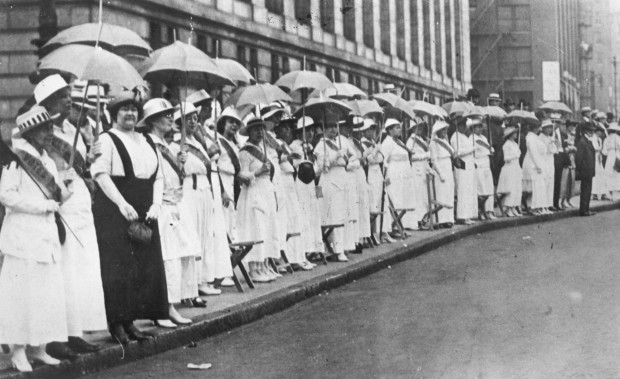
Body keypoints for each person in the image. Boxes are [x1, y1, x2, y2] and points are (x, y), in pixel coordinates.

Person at [35, 74, 106, 358]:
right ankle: (57, 336)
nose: (69, 101)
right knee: (63, 272)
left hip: (80, 205)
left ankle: (75, 331)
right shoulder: (40, 131)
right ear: (49, 101)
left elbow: (78, 166)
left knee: (81, 271)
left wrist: (88, 159)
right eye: (64, 96)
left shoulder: (69, 129)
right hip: (60, 206)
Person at [91, 91, 168, 345]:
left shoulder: (147, 139)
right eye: (124, 110)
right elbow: (100, 174)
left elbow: (158, 176)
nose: (130, 114)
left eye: (134, 110)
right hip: (115, 209)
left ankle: (131, 321)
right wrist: (121, 203)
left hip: (144, 209)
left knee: (140, 268)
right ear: (114, 115)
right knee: (118, 267)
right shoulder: (107, 139)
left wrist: (157, 203)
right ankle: (117, 323)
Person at [0, 106, 71, 372]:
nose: (49, 133)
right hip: (23, 234)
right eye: (43, 128)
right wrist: (42, 206)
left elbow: (55, 196)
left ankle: (39, 348)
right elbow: (6, 195)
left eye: (50, 127)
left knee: (46, 293)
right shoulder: (14, 159)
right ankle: (18, 351)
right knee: (22, 294)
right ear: (29, 133)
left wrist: (67, 187)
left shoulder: (49, 161)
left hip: (46, 235)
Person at [140, 98, 196, 328]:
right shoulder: (148, 145)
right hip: (160, 206)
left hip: (175, 204)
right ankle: (165, 308)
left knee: (179, 256)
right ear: (153, 121)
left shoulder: (167, 146)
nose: (171, 119)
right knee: (167, 259)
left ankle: (171, 304)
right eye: (166, 115)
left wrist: (181, 163)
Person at [170, 102, 222, 299]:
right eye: (188, 118)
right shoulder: (176, 143)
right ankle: (193, 283)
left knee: (206, 234)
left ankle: (204, 279)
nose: (193, 121)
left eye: (195, 118)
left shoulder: (198, 142)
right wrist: (180, 162)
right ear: (179, 121)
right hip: (189, 190)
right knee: (194, 235)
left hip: (204, 188)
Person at [236, 117, 282, 278]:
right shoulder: (245, 151)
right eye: (255, 129)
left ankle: (264, 265)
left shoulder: (265, 149)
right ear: (249, 131)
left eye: (262, 128)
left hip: (266, 190)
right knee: (256, 229)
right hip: (253, 192)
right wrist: (257, 171)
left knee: (268, 228)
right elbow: (241, 175)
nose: (259, 132)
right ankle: (254, 269)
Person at [274, 116, 311, 270]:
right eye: (285, 127)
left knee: (295, 218)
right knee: (285, 221)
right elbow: (275, 160)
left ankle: (297, 256)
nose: (288, 131)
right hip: (281, 180)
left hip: (290, 181)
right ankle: (285, 258)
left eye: (290, 127)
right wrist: (288, 157)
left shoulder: (287, 145)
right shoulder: (275, 143)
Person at [314, 116, 349, 262]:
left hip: (341, 178)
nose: (334, 130)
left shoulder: (337, 143)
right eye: (330, 127)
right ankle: (335, 249)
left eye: (335, 126)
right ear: (323, 128)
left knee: (342, 213)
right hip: (329, 180)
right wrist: (335, 156)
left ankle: (342, 246)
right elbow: (321, 166)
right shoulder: (321, 145)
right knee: (332, 214)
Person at [290, 117, 323, 262]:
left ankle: (313, 249)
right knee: (304, 216)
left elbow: (315, 169)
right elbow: (299, 166)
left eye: (311, 130)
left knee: (312, 215)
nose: (310, 133)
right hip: (300, 184)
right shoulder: (294, 146)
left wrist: (320, 166)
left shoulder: (310, 147)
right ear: (299, 132)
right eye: (306, 130)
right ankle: (304, 250)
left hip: (311, 186)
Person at [380, 119, 416, 234]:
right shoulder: (387, 143)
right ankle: (393, 227)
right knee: (395, 199)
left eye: (399, 127)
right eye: (396, 128)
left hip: (404, 174)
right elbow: (383, 160)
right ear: (389, 130)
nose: (399, 130)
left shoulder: (399, 142)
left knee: (403, 198)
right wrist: (385, 177)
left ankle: (402, 225)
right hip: (394, 175)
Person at [215, 107, 244, 241]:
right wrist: (222, 191)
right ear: (223, 123)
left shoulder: (235, 144)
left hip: (233, 181)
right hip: (222, 179)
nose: (234, 125)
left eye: (237, 123)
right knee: (224, 215)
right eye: (231, 122)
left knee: (232, 215)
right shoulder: (217, 140)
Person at [359, 119, 387, 239]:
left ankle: (382, 231)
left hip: (378, 173)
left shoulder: (374, 142)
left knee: (380, 201)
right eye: (369, 129)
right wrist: (375, 150)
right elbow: (369, 159)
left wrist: (376, 150)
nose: (372, 131)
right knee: (373, 202)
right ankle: (373, 232)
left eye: (373, 129)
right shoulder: (362, 143)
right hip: (369, 173)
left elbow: (381, 158)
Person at [451, 116, 477, 224]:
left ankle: (468, 215)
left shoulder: (463, 136)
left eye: (464, 125)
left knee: (469, 190)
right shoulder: (454, 137)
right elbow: (457, 152)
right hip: (461, 164)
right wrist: (472, 148)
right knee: (463, 190)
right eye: (462, 125)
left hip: (469, 164)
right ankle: (462, 215)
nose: (464, 127)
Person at [405, 121, 432, 228]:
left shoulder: (421, 139)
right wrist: (425, 155)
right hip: (416, 170)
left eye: (421, 126)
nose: (420, 129)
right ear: (413, 129)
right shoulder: (410, 141)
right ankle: (418, 220)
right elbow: (411, 157)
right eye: (417, 127)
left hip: (423, 169)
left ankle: (423, 219)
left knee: (424, 197)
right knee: (418, 197)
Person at [428, 120, 455, 227]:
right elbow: (434, 160)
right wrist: (440, 173)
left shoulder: (445, 141)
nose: (445, 131)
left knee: (449, 193)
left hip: (448, 166)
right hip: (440, 168)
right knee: (441, 194)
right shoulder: (434, 143)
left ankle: (449, 218)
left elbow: (452, 153)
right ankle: (441, 219)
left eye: (446, 129)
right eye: (443, 129)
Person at [472, 120, 496, 220]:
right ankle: (481, 211)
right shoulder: (472, 138)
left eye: (481, 127)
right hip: (479, 164)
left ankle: (490, 210)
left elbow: (489, 150)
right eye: (477, 127)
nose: (480, 129)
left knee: (489, 188)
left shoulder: (484, 138)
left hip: (486, 163)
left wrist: (491, 149)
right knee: (481, 189)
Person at [521, 123, 547, 215]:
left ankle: (535, 207)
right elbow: (533, 153)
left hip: (537, 163)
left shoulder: (535, 137)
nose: (538, 129)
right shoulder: (530, 138)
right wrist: (538, 165)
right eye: (536, 127)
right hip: (531, 164)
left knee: (536, 187)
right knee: (531, 187)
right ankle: (528, 206)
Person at [496, 127, 522, 217]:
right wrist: (515, 155)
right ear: (510, 135)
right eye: (514, 133)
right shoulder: (506, 145)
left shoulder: (515, 144)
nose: (516, 134)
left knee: (517, 189)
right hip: (509, 169)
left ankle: (514, 207)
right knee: (511, 189)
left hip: (516, 168)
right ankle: (508, 208)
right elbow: (506, 158)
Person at [576, 122, 597, 216]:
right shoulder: (582, 141)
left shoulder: (587, 141)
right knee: (585, 190)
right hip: (585, 169)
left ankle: (586, 209)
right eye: (590, 131)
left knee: (587, 190)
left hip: (588, 169)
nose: (592, 132)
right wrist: (580, 169)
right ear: (586, 131)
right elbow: (579, 157)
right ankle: (584, 210)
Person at [539, 119, 557, 214]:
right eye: (547, 128)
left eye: (551, 128)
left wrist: (552, 142)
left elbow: (554, 150)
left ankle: (549, 203)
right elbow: (543, 150)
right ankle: (544, 204)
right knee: (545, 182)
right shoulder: (540, 137)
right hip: (544, 161)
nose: (549, 130)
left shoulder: (550, 137)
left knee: (551, 182)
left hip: (551, 161)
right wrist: (550, 143)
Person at [559, 122, 577, 209]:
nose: (572, 127)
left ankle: (569, 199)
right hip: (566, 158)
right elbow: (564, 147)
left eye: (573, 126)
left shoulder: (574, 135)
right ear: (567, 126)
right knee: (565, 180)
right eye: (571, 126)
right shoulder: (564, 135)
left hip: (572, 158)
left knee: (572, 180)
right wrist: (570, 148)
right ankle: (563, 199)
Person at [602, 122, 620, 201]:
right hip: (617, 156)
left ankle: (609, 194)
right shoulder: (618, 138)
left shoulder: (606, 139)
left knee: (608, 174)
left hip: (610, 157)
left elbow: (604, 152)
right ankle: (616, 195)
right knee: (616, 175)